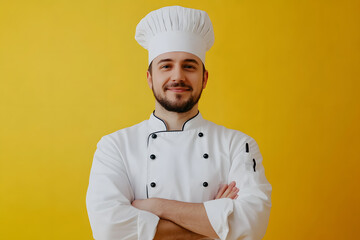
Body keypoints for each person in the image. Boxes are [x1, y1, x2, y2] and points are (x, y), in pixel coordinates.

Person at [86, 5, 272, 240]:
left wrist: (156, 207)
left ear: (204, 78)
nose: (178, 76)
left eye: (189, 66)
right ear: (150, 78)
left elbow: (252, 225)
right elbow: (108, 229)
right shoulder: (114, 147)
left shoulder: (238, 145)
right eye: (166, 65)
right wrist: (215, 227)